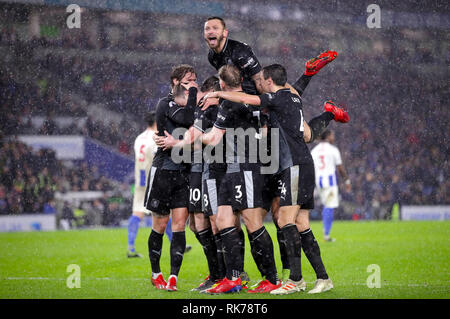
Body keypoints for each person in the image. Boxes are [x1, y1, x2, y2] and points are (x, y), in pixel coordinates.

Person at [202, 64, 335, 295]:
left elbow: (252, 101)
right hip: (293, 165)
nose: (258, 84)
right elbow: (309, 133)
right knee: (300, 224)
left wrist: (218, 94)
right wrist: (325, 110)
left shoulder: (276, 99)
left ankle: (294, 279)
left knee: (285, 221)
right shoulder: (290, 100)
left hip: (293, 165)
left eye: (261, 80)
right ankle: (322, 278)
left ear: (270, 82)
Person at [144, 65, 197, 292]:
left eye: (195, 80)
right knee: (160, 225)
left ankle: (174, 277)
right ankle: (156, 273)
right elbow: (187, 118)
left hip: (184, 171)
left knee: (179, 226)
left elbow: (194, 122)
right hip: (164, 170)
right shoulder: (165, 104)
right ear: (175, 81)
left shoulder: (192, 102)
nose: (193, 84)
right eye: (188, 80)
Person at [127, 111, 175, 258]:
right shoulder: (155, 137)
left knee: (137, 212)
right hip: (153, 179)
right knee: (165, 211)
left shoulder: (139, 138)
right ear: (157, 121)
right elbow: (158, 156)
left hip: (140, 179)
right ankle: (176, 243)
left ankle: (131, 247)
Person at [311, 130, 351, 242]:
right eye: (332, 135)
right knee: (329, 206)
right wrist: (347, 181)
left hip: (318, 182)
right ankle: (326, 235)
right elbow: (340, 168)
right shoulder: (333, 150)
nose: (334, 137)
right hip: (330, 182)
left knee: (326, 205)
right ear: (328, 136)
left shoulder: (314, 150)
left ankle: (325, 232)